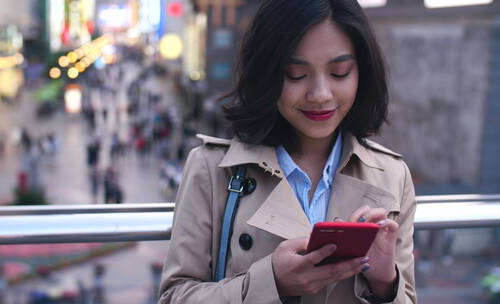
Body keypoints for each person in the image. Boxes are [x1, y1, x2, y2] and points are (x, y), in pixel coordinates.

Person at [159, 0, 417, 303]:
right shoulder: (212, 167)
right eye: (296, 74)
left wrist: (385, 282)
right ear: (266, 74)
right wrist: (271, 283)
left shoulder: (391, 175)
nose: (320, 94)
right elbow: (175, 296)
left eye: (340, 72)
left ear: (362, 73)